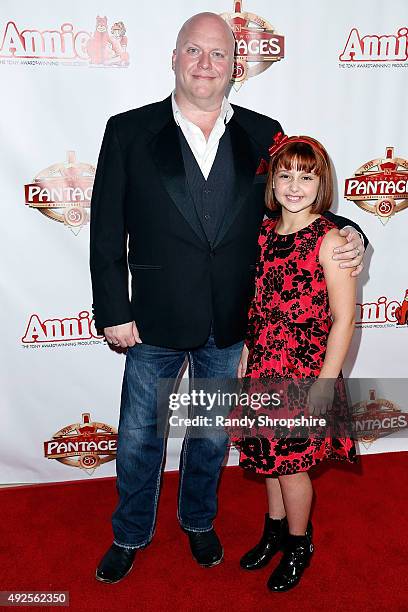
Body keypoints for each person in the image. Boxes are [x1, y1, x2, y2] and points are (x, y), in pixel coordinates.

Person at [89, 12, 366, 584]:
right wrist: (114, 309)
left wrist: (350, 232)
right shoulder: (128, 130)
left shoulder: (265, 132)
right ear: (174, 56)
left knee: (211, 435)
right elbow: (104, 227)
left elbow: (295, 203)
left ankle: (197, 521)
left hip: (234, 322)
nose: (205, 64)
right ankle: (130, 532)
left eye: (217, 54)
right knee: (141, 434)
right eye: (194, 51)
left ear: (235, 65)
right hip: (153, 319)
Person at [234, 134, 358, 592]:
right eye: (285, 175)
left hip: (305, 372)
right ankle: (274, 530)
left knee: (293, 465)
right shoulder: (267, 233)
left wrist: (325, 383)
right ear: (273, 182)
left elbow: (344, 319)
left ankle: (299, 543)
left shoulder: (331, 241)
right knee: (268, 458)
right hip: (265, 362)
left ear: (321, 183)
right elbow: (260, 301)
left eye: (306, 177)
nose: (294, 185)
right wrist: (249, 350)